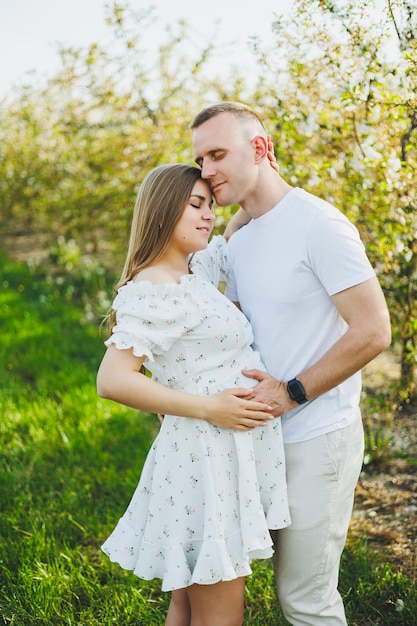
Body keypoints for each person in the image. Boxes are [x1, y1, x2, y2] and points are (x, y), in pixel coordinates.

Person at [191, 102, 392, 626]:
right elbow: (236, 330)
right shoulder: (238, 238)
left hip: (315, 435)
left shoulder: (318, 224)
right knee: (209, 576)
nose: (206, 171)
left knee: (305, 599)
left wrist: (291, 392)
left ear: (260, 148)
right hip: (256, 438)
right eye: (199, 158)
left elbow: (373, 330)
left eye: (217, 154)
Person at [96, 163, 290, 626]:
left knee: (187, 604)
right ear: (163, 213)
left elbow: (239, 222)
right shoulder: (155, 289)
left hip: (215, 453)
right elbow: (113, 380)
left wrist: (259, 170)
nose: (208, 216)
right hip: (207, 457)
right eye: (195, 205)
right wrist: (209, 407)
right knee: (220, 613)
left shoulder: (191, 271)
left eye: (210, 206)